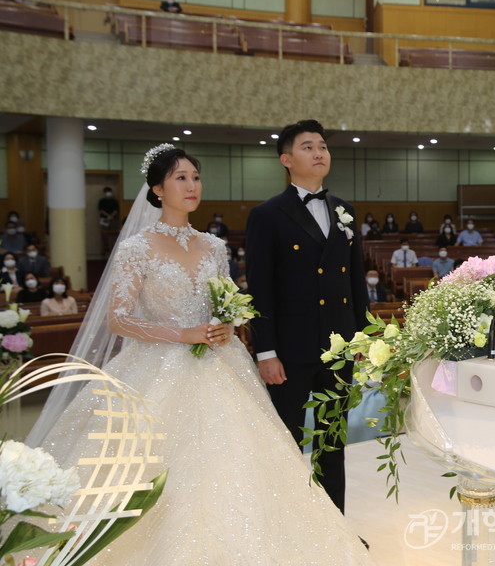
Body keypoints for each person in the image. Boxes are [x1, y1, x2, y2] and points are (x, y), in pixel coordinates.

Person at [29, 144, 371, 565]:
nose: (192, 186)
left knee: (243, 459)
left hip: (219, 364)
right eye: (180, 178)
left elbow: (224, 303)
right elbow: (118, 320)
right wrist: (180, 333)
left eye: (195, 177)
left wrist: (227, 324)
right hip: (156, 368)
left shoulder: (213, 246)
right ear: (157, 190)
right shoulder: (137, 248)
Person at [245, 120, 369, 515]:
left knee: (333, 444)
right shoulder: (267, 215)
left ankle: (335, 531)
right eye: (307, 147)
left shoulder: (344, 210)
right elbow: (260, 289)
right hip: (291, 352)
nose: (319, 153)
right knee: (288, 444)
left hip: (339, 348)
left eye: (323, 147)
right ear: (286, 159)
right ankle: (290, 531)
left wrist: (364, 338)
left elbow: (355, 282)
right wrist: (266, 352)